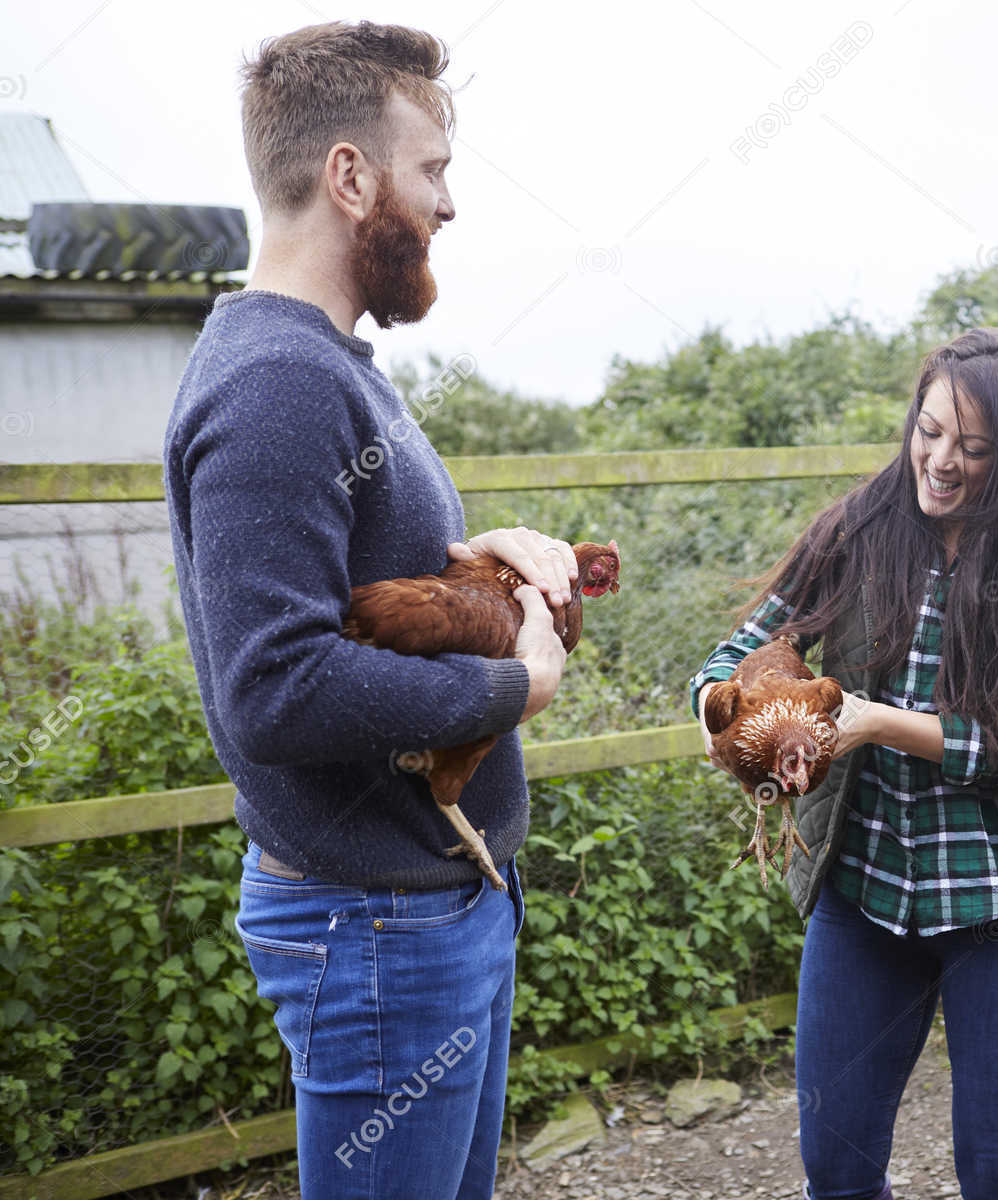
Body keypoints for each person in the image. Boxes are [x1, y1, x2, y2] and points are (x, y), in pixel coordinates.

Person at [162, 22, 573, 1199]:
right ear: (352, 176)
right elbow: (276, 686)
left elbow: (344, 589)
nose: (449, 205)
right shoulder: (282, 384)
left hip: (425, 911)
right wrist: (514, 686)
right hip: (376, 931)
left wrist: (475, 562)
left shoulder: (330, 365)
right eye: (433, 170)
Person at [689, 327, 998, 1200]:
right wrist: (716, 710)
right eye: (930, 432)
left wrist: (876, 722)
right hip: (866, 899)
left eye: (975, 447)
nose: (942, 462)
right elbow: (732, 653)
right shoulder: (858, 531)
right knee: (836, 1174)